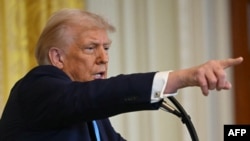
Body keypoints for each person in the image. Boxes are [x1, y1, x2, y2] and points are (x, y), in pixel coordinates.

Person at [0, 8, 243, 141]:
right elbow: (94, 97)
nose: (104, 58)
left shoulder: (92, 116)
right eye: (90, 48)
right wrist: (180, 78)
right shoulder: (37, 87)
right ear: (57, 58)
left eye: (106, 48)